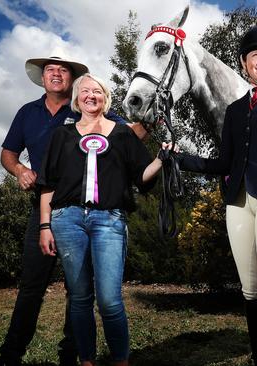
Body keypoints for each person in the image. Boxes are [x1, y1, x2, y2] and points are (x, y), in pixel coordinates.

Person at [169, 25, 257, 366]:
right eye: (255, 56)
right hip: (237, 202)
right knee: (249, 289)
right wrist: (178, 158)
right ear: (244, 62)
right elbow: (224, 162)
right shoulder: (235, 110)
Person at [0, 56, 145, 366]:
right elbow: (8, 153)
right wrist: (19, 170)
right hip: (46, 207)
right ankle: (11, 355)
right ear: (43, 78)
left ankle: (72, 354)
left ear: (72, 79)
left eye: (62, 70)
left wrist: (150, 121)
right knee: (31, 286)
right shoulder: (28, 113)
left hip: (89, 208)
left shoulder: (87, 105)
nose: (55, 74)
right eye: (50, 70)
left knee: (76, 290)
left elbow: (126, 136)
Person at [37, 73, 162, 366]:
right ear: (77, 99)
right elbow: (48, 185)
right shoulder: (62, 136)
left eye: (98, 91)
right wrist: (45, 225)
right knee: (79, 298)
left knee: (109, 300)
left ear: (106, 99)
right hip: (66, 220)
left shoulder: (123, 134)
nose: (91, 95)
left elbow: (141, 176)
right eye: (85, 91)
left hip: (109, 220)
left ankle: (120, 360)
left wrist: (159, 160)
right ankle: (87, 360)